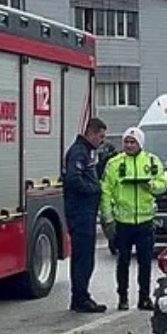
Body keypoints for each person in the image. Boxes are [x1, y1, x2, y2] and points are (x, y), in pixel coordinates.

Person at [101, 127, 166, 311]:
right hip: (123, 222)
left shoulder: (152, 161)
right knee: (123, 262)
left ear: (140, 143)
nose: (129, 145)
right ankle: (122, 297)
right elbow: (105, 191)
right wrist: (107, 218)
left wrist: (150, 185)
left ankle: (144, 298)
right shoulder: (114, 164)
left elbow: (163, 184)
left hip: (145, 221)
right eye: (126, 142)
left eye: (133, 142)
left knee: (145, 262)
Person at [62, 118, 109, 313]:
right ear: (91, 132)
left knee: (85, 257)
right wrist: (94, 189)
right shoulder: (79, 152)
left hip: (85, 212)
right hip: (80, 212)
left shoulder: (86, 152)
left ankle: (81, 296)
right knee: (83, 258)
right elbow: (74, 179)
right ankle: (80, 298)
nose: (102, 140)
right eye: (101, 136)